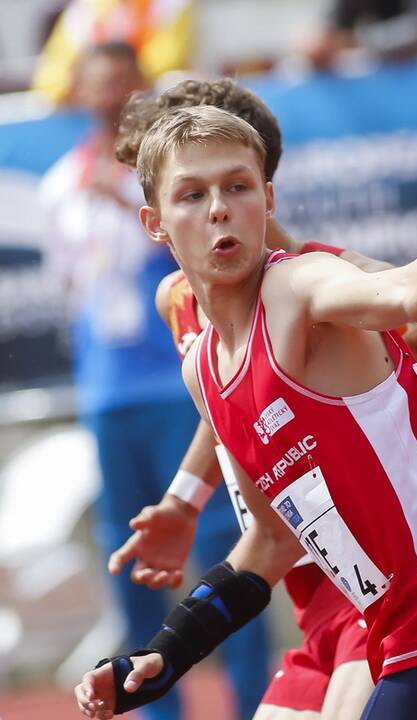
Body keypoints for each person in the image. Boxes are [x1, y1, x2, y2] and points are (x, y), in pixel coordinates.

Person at [74, 103, 417, 719]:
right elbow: (268, 542)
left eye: (236, 187)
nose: (218, 208)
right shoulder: (202, 367)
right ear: (155, 223)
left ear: (266, 200)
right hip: (411, 641)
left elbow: (405, 288)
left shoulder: (296, 288)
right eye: (192, 195)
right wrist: (169, 652)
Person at [36, 45, 270, 720]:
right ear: (77, 93)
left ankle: (253, 699)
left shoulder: (175, 176)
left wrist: (121, 193)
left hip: (184, 389)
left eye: (120, 84)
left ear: (140, 88)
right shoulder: (58, 186)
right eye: (96, 85)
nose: (108, 98)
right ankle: (150, 703)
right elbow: (74, 285)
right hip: (110, 395)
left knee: (226, 546)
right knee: (133, 552)